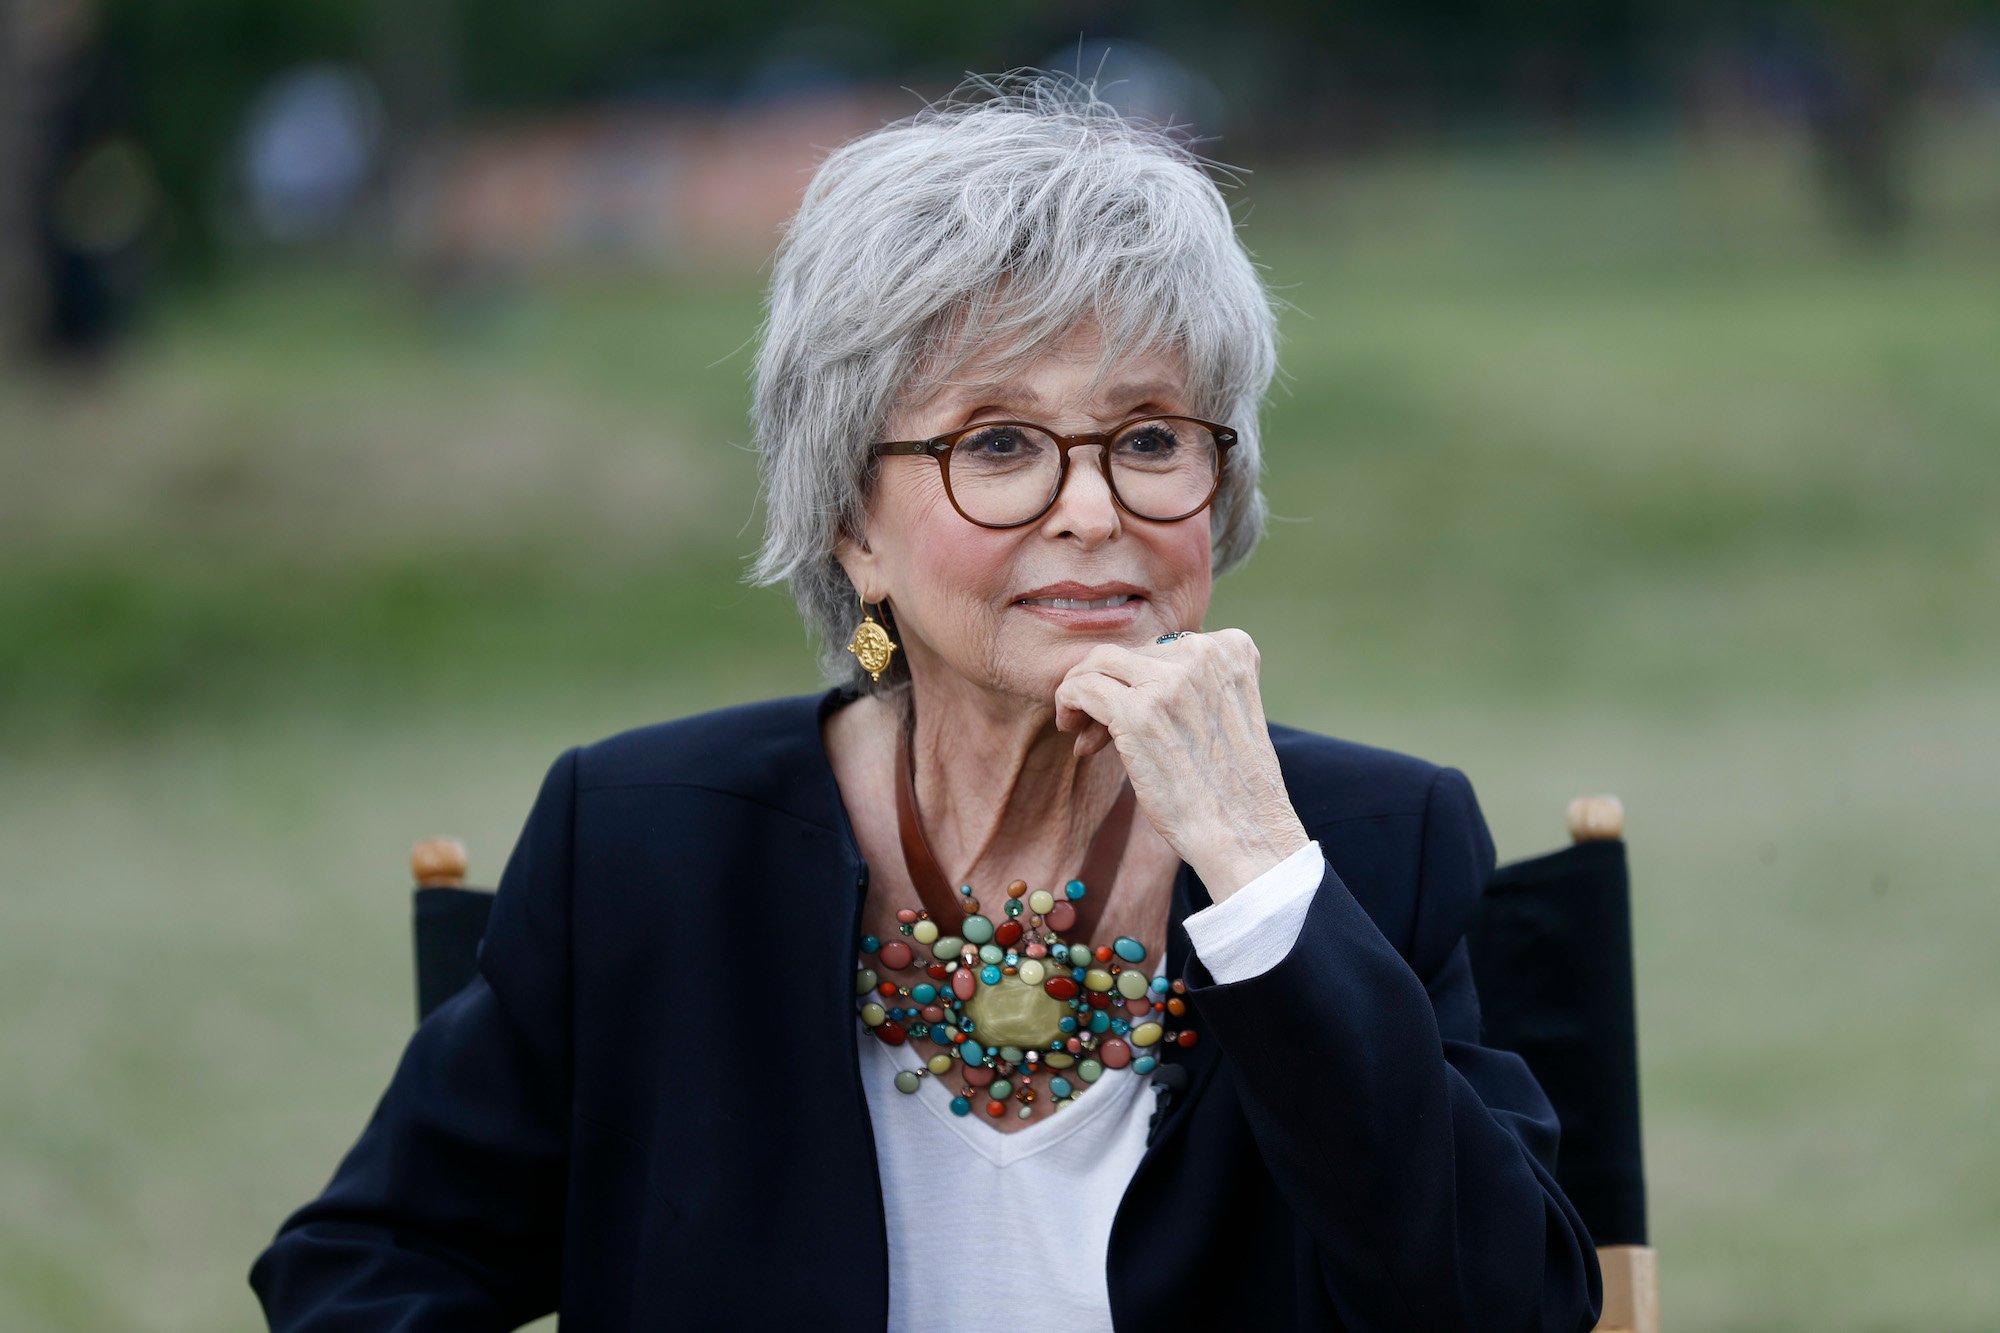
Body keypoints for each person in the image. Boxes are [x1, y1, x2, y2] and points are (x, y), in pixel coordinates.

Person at [250, 71, 1601, 1331]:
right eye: (998, 443)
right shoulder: (642, 845)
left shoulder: (1370, 843)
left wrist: (1258, 874)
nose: (1093, 509)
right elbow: (361, 1269)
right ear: (853, 522)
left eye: (1148, 438)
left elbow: (1503, 1307)